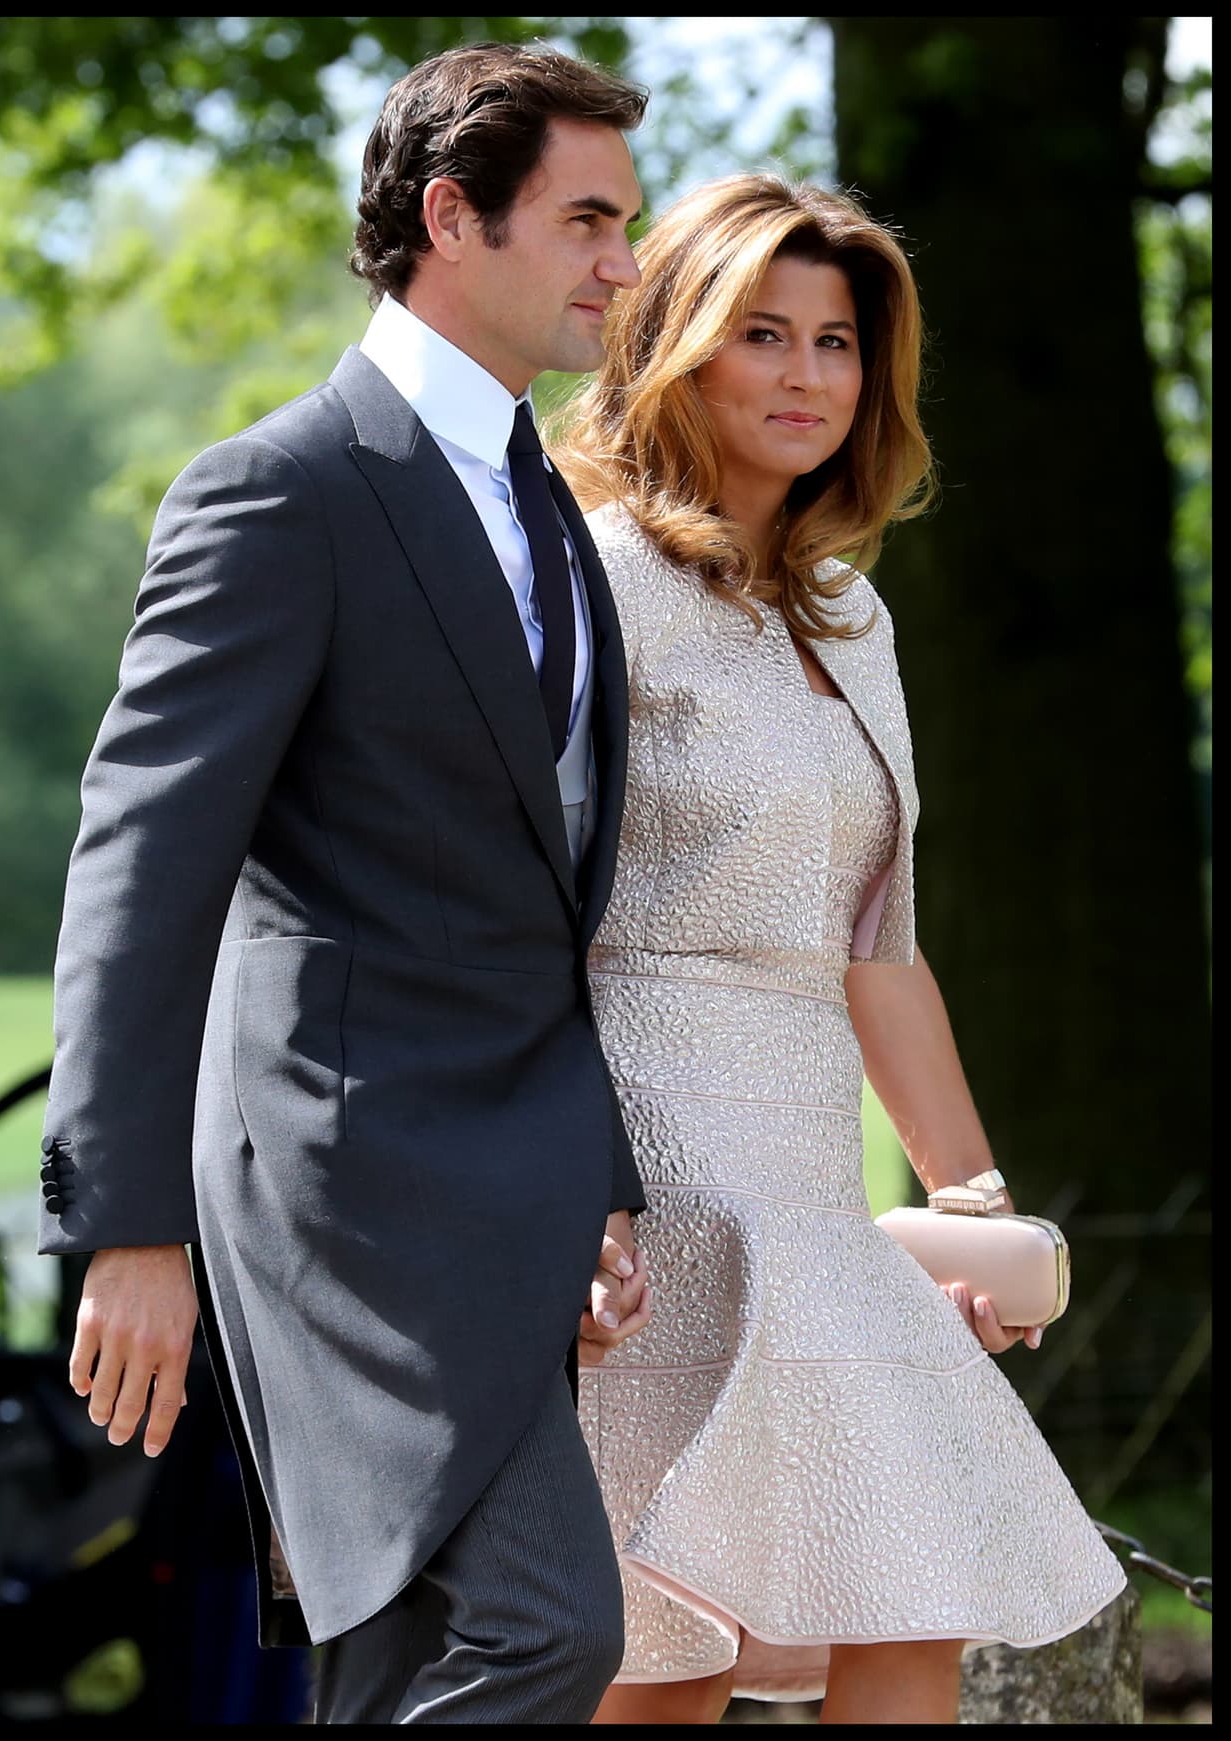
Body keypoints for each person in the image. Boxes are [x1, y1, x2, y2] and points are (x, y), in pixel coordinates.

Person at [37, 42, 657, 1726]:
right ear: (454, 218)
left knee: (390, 1660)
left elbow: (542, 891)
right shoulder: (278, 493)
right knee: (551, 1628)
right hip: (345, 1180)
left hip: (513, 1175)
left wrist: (592, 1175)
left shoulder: (548, 501)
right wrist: (127, 1221)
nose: (624, 263)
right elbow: (141, 866)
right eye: (589, 220)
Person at [554, 173, 1128, 1726]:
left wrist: (970, 1203)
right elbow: (515, 918)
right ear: (678, 346)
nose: (809, 375)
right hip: (650, 1149)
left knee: (903, 1592)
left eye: (838, 342)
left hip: (806, 1154)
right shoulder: (588, 582)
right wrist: (559, 1188)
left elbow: (884, 940)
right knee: (676, 1643)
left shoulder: (852, 618)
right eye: (763, 334)